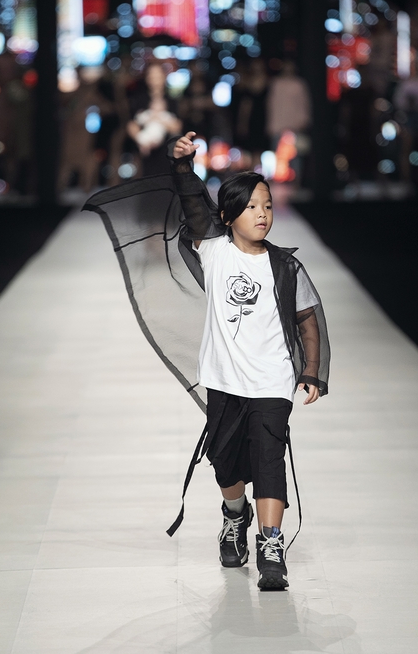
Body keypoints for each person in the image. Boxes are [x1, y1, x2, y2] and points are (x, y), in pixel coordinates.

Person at [169, 131, 330, 590]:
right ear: (227, 216)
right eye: (251, 207)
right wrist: (182, 166)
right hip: (223, 379)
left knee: (268, 461)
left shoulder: (285, 266)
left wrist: (311, 371)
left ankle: (271, 545)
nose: (262, 214)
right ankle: (234, 515)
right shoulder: (213, 250)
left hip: (272, 381)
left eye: (268, 206)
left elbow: (307, 320)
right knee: (225, 462)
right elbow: (193, 204)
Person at [126, 62, 182, 176]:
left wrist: (159, 119)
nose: (154, 79)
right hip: (145, 154)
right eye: (151, 75)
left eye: (157, 75)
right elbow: (132, 125)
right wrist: (142, 140)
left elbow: (177, 126)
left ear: (164, 77)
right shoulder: (139, 100)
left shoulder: (172, 100)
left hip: (166, 153)